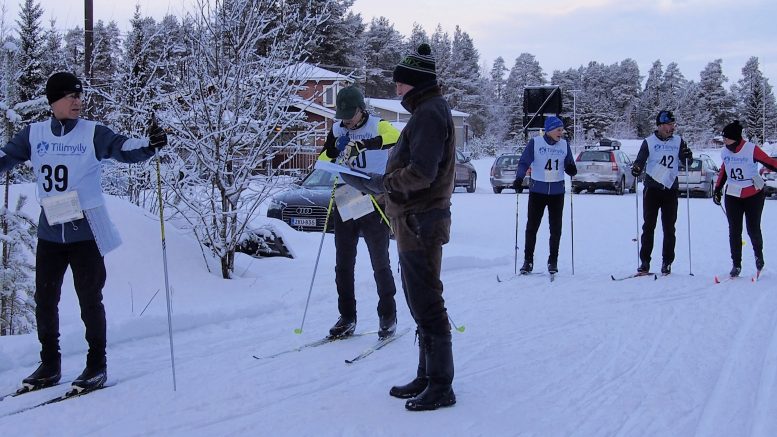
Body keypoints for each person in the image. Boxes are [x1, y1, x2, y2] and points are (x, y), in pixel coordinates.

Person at [0, 72, 166, 393]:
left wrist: (150, 145)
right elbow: (5, 157)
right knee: (45, 300)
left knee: (90, 299)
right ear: (53, 101)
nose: (77, 101)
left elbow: (122, 148)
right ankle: (50, 363)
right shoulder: (33, 134)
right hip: (50, 232)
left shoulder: (92, 133)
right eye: (69, 96)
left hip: (85, 233)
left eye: (79, 95)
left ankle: (96, 364)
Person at [340, 43, 456, 411]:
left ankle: (441, 384)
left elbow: (423, 171)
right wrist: (382, 179)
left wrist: (385, 184)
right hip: (413, 221)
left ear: (415, 83)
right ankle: (426, 375)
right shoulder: (426, 111)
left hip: (421, 221)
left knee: (427, 302)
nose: (396, 90)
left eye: (401, 84)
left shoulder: (429, 114)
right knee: (418, 301)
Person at [319, 86, 399, 339]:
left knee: (379, 262)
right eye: (342, 116)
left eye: (350, 115)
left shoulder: (378, 124)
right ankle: (347, 317)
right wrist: (333, 151)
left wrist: (364, 144)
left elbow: (395, 137)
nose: (346, 121)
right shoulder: (338, 129)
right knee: (343, 263)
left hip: (373, 197)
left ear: (361, 110)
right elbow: (324, 156)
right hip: (346, 197)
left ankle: (388, 315)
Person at [511, 116, 577, 274]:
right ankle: (528, 261)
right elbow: (524, 162)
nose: (561, 132)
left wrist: (571, 169)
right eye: (558, 130)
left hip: (557, 193)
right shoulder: (536, 143)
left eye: (562, 129)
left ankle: (553, 261)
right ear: (549, 130)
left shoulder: (564, 145)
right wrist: (519, 178)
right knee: (532, 227)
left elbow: (570, 164)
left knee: (556, 229)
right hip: (537, 191)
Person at [630, 110, 693, 275]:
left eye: (673, 125)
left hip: (670, 189)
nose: (672, 128)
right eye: (669, 125)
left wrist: (688, 156)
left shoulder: (678, 141)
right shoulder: (649, 142)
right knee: (648, 227)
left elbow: (688, 161)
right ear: (660, 125)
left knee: (669, 228)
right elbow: (640, 160)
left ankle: (667, 262)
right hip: (652, 189)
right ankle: (645, 262)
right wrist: (636, 168)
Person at [713, 120, 777, 277]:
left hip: (753, 194)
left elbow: (769, 162)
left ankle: (758, 257)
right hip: (733, 195)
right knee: (734, 230)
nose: (724, 142)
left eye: (727, 139)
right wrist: (717, 190)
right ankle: (736, 264)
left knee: (753, 228)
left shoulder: (751, 149)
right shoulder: (725, 152)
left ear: (735, 138)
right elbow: (724, 170)